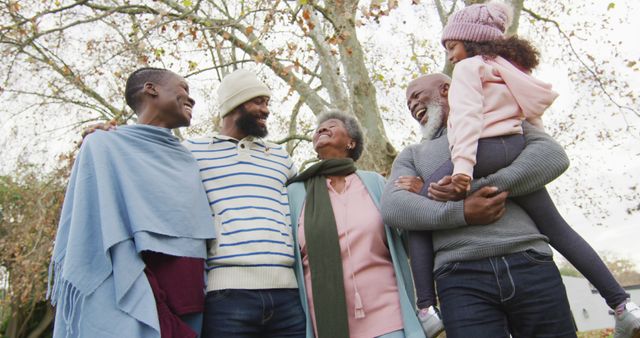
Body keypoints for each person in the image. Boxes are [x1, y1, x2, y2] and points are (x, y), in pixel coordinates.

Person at [402, 2, 640, 337]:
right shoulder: (504, 69)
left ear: (445, 90)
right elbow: (534, 106)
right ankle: (621, 304)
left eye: (415, 95)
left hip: (484, 159)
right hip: (511, 146)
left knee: (425, 197)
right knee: (559, 229)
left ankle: (426, 307)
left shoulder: (467, 77)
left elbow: (476, 127)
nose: (411, 104)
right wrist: (511, 166)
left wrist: (463, 178)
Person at [48, 67, 215, 338]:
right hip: (132, 273)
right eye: (183, 88)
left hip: (188, 283)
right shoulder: (104, 145)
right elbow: (91, 224)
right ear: (151, 89)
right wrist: (98, 139)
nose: (191, 98)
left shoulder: (193, 156)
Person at [182, 69, 306, 338]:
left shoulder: (279, 156)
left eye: (267, 103)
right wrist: (106, 135)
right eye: (259, 102)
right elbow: (147, 166)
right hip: (226, 296)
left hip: (288, 294)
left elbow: (307, 205)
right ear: (235, 104)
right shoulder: (192, 150)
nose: (266, 110)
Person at [287, 111, 425, 338]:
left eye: (330, 125)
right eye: (318, 128)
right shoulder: (296, 192)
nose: (321, 129)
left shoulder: (376, 183)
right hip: (325, 319)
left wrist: (420, 197)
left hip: (388, 314)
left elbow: (406, 238)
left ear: (351, 142)